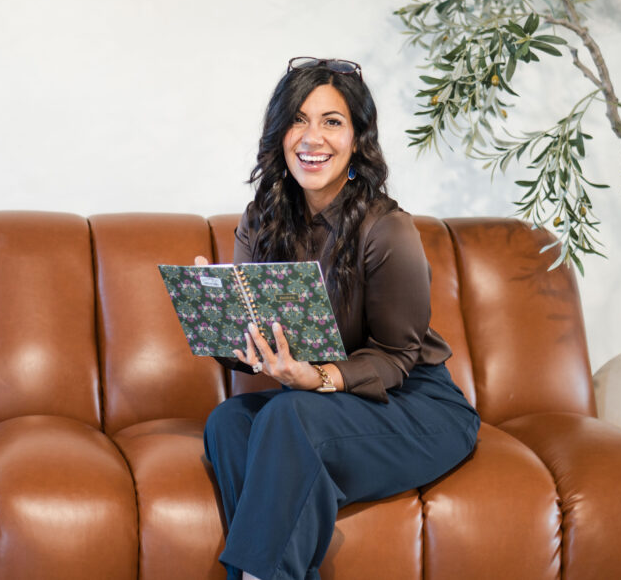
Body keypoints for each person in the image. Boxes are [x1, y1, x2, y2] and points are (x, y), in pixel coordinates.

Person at [198, 57, 480, 580]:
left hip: (416, 405)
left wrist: (317, 378)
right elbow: (251, 338)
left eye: (332, 121)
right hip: (322, 407)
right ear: (280, 135)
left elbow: (399, 356)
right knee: (229, 422)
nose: (313, 136)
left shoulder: (387, 229)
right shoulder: (261, 219)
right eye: (298, 119)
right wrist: (218, 310)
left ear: (357, 139)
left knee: (287, 416)